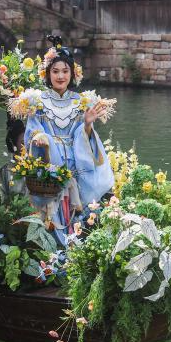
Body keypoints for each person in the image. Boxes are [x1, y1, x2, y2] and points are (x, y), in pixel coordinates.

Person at [25, 35, 114, 245]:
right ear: (47, 74)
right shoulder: (37, 101)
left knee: (77, 211)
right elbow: (32, 131)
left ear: (73, 74)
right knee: (53, 210)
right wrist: (41, 138)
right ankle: (55, 251)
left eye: (65, 71)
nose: (60, 76)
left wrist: (87, 125)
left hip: (75, 162)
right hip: (50, 162)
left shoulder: (81, 101)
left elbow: (83, 135)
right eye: (55, 71)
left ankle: (75, 247)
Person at [0, 118, 28, 205]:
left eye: (28, 142)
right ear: (13, 144)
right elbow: (1, 199)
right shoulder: (5, 171)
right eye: (23, 143)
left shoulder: (36, 167)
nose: (26, 146)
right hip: (15, 212)